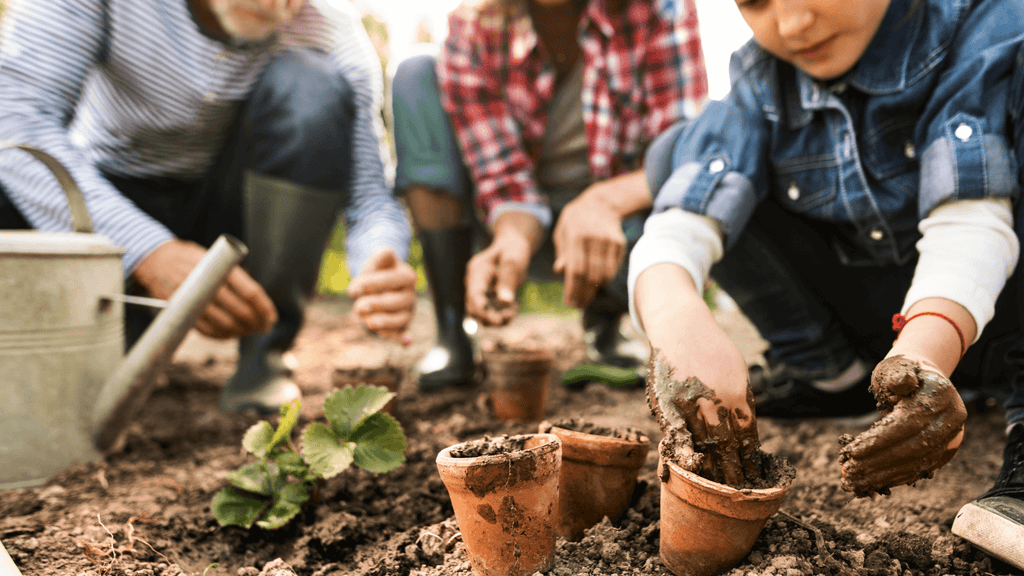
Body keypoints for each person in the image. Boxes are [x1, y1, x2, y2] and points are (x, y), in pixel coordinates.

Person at [628, 0, 1024, 566]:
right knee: (680, 153)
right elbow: (679, 224)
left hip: (984, 315)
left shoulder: (984, 25)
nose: (790, 25)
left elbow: (972, 218)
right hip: (883, 332)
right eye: (754, 2)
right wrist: (676, 318)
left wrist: (925, 352)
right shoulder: (761, 77)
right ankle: (832, 375)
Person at [0, 0, 418, 415]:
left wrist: (378, 259)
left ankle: (264, 355)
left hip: (237, 214)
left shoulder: (332, 33)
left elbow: (370, 199)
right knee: (86, 376)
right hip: (111, 203)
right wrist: (147, 251)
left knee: (312, 84)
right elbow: (15, 119)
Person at [390, 0, 708, 390]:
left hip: (620, 225)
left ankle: (605, 323)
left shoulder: (661, 9)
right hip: (512, 222)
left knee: (677, 209)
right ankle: (452, 329)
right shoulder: (473, 28)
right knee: (416, 74)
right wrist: (513, 237)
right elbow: (503, 178)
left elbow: (682, 154)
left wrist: (602, 204)